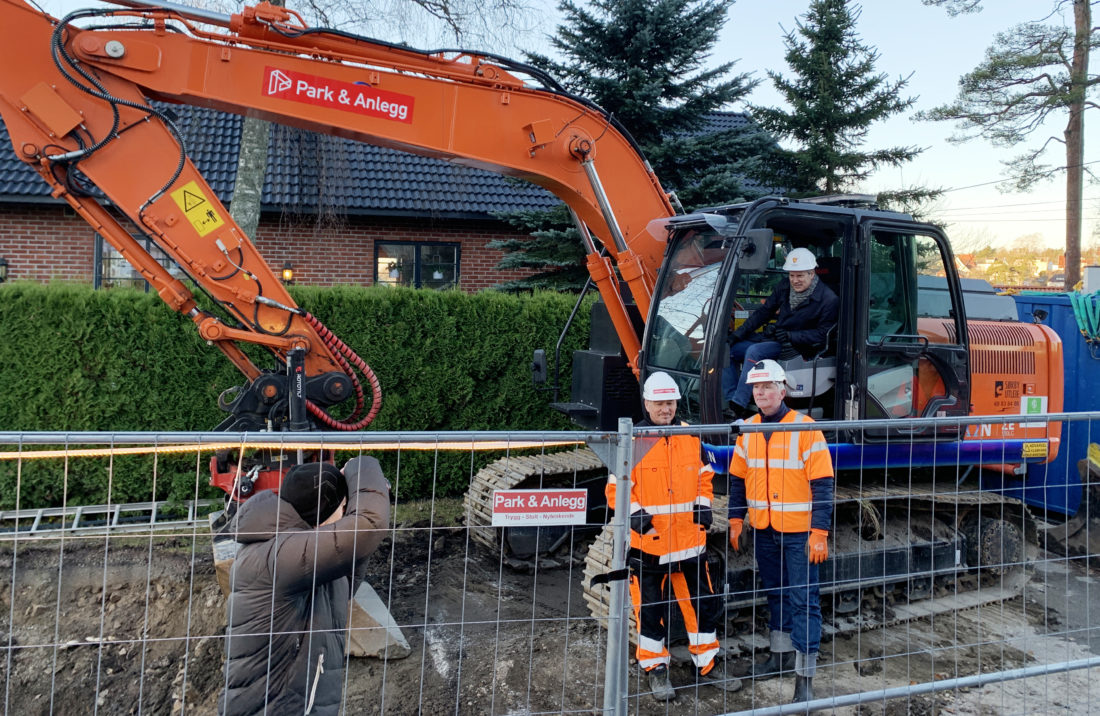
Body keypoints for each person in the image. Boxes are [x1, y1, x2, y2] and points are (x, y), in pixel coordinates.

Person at [605, 371, 740, 702]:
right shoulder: (632, 439)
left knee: (703, 606)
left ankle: (707, 664)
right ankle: (655, 668)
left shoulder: (690, 435)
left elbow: (705, 476)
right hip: (650, 545)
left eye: (670, 403)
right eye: (660, 403)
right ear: (647, 403)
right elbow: (616, 488)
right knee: (650, 612)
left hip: (690, 543)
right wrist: (638, 519)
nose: (666, 409)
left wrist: (703, 507)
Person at [220, 457, 391, 716]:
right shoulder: (276, 556)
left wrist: (360, 504)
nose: (348, 513)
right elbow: (368, 527)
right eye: (344, 507)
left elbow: (343, 586)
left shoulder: (297, 549)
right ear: (323, 513)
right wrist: (361, 467)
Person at [726, 359, 834, 704]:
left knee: (804, 601)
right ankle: (780, 656)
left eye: (767, 387)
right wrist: (735, 519)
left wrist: (820, 532)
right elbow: (738, 479)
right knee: (776, 593)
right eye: (756, 388)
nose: (761, 393)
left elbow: (823, 484)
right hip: (765, 529)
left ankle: (805, 678)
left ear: (782, 390)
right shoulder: (747, 429)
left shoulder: (805, 428)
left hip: (800, 533)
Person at [723, 247, 839, 419]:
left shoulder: (828, 299)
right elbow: (764, 312)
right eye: (792, 275)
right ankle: (731, 398)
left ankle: (738, 406)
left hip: (799, 347)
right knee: (728, 350)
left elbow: (823, 334)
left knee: (754, 351)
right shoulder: (785, 287)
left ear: (812, 274)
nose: (795, 280)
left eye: (800, 276)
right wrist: (737, 334)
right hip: (777, 339)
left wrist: (792, 336)